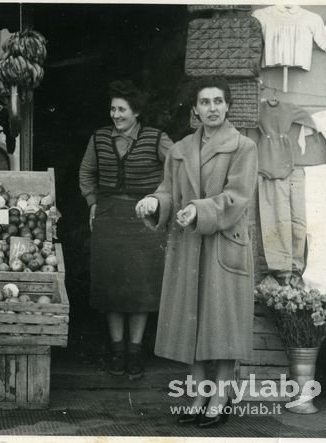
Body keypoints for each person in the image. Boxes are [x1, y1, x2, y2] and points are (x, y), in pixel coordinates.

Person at [136, 76, 258, 428]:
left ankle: (220, 397)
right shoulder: (180, 150)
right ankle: (198, 393)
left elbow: (238, 197)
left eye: (218, 101)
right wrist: (153, 201)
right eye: (205, 102)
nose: (212, 108)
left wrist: (199, 211)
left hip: (223, 244)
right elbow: (168, 191)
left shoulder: (243, 148)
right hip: (189, 245)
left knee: (221, 323)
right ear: (194, 110)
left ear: (228, 106)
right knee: (194, 320)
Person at [79, 80, 174, 380]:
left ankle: (135, 352)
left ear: (136, 112)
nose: (116, 115)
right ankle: (116, 350)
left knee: (140, 289)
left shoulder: (157, 138)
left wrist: (159, 199)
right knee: (112, 289)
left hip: (143, 221)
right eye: (112, 109)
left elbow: (178, 168)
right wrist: (92, 201)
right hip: (108, 218)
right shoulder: (98, 139)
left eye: (122, 109)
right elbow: (86, 172)